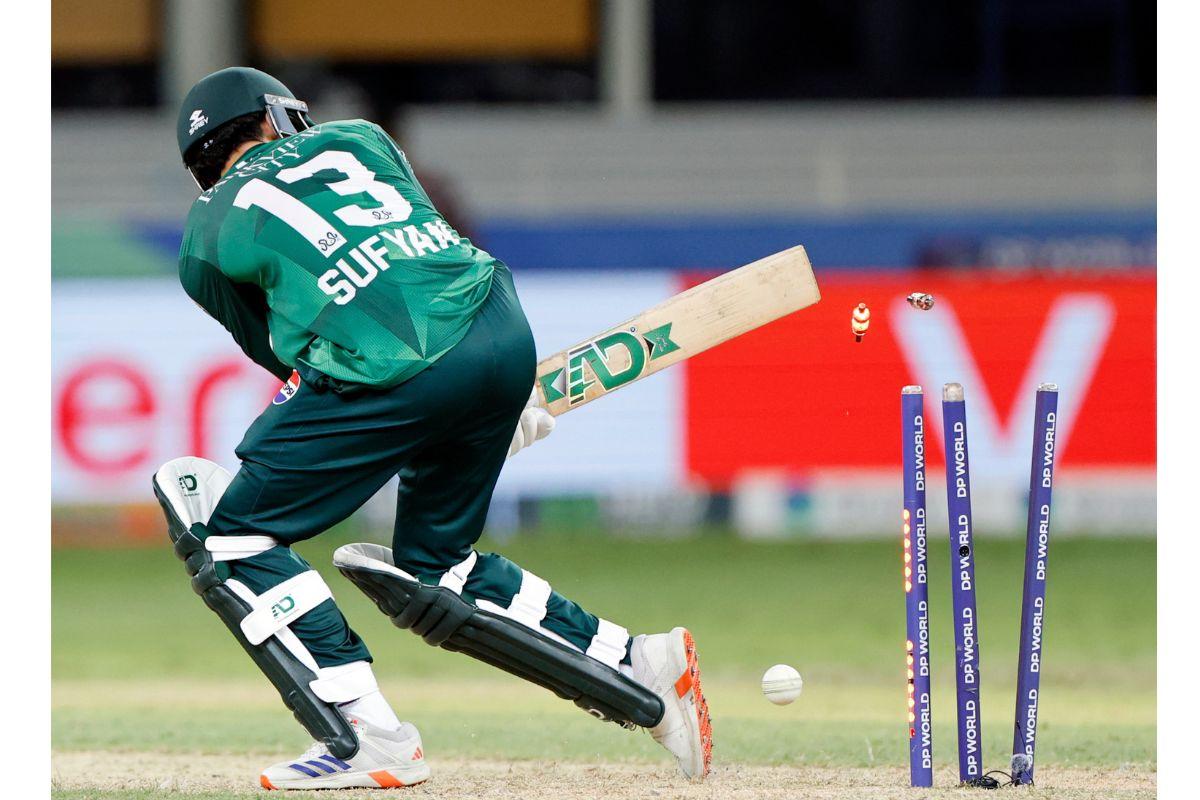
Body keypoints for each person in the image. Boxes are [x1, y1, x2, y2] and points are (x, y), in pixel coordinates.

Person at [158, 67, 711, 791]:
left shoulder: (204, 234)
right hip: (500, 325)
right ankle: (641, 660)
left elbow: (291, 359)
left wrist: (416, 411)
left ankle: (368, 737)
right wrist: (482, 405)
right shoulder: (360, 138)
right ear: (275, 118)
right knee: (436, 563)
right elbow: (427, 253)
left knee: (234, 537)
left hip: (394, 368)